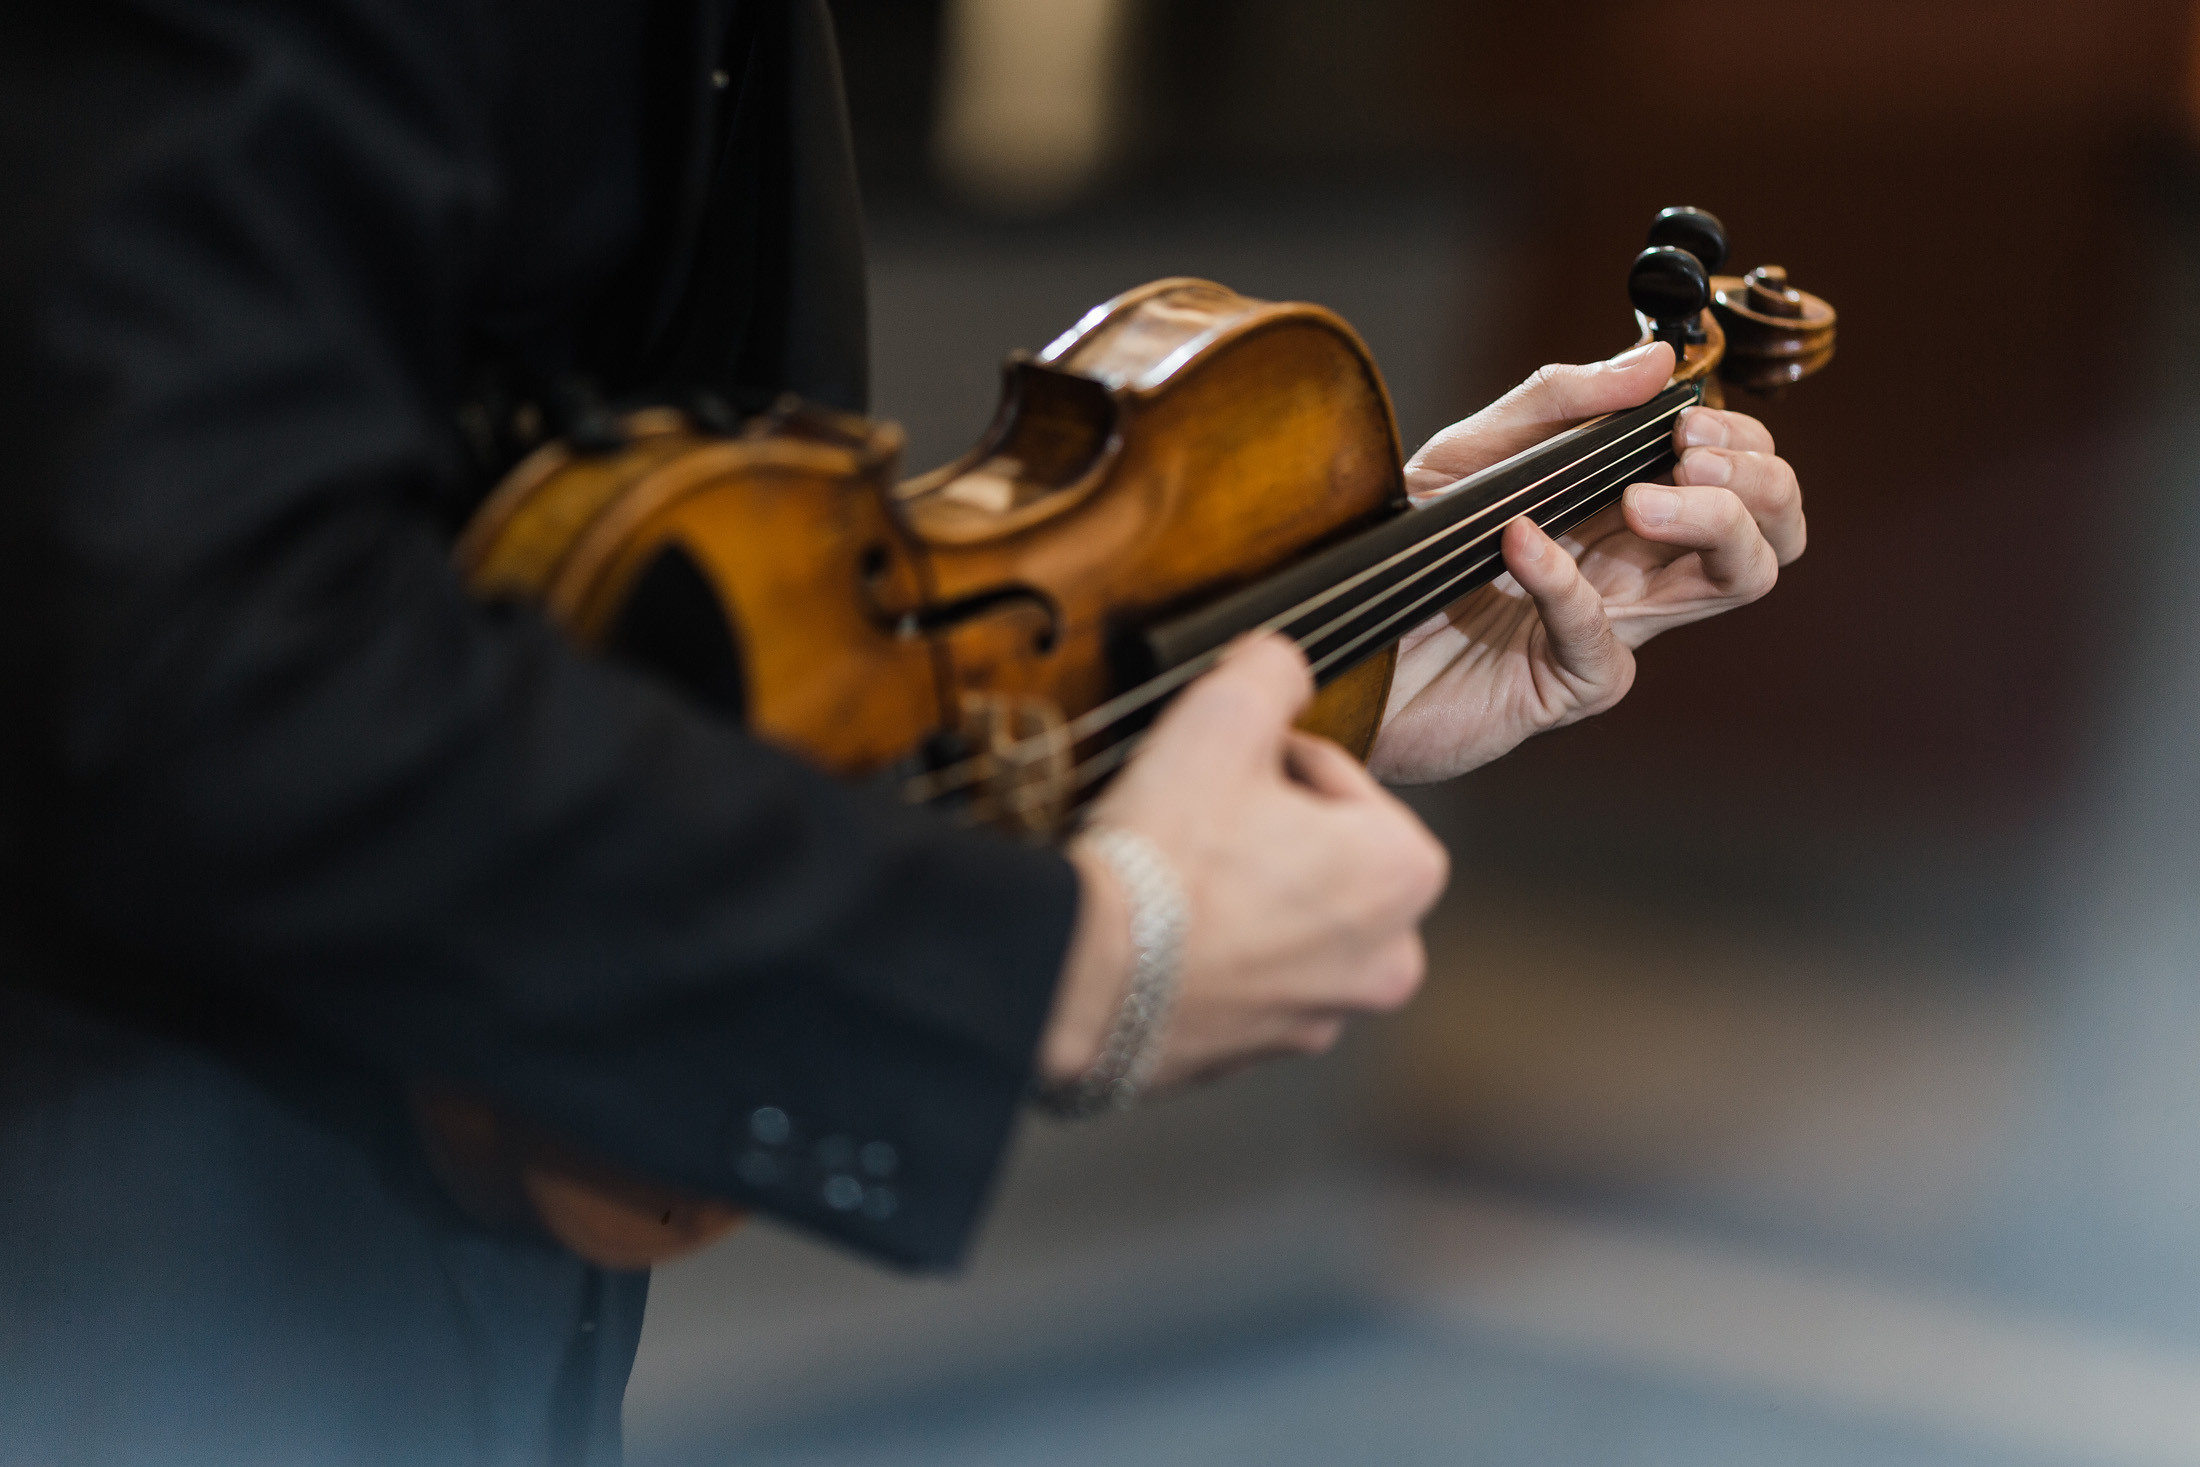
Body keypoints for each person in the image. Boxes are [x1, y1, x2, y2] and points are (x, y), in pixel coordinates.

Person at [0, 0, 1805, 1462]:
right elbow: (188, 651)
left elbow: (616, 607)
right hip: (140, 1270)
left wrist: (1300, 641)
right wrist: (1080, 962)